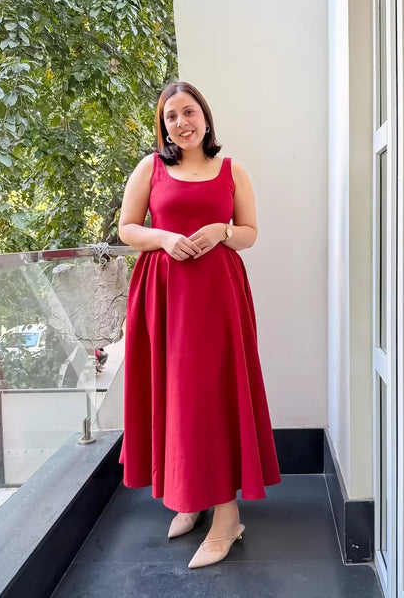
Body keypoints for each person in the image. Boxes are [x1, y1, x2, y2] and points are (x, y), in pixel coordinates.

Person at [118, 81, 280, 569]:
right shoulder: (150, 168)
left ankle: (227, 518)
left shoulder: (232, 171)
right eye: (171, 116)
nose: (181, 122)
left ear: (205, 117)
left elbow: (249, 234)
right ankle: (190, 496)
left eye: (188, 112)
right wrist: (165, 238)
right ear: (163, 126)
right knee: (177, 396)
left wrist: (222, 230)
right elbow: (127, 228)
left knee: (211, 395)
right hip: (165, 298)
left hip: (217, 299)